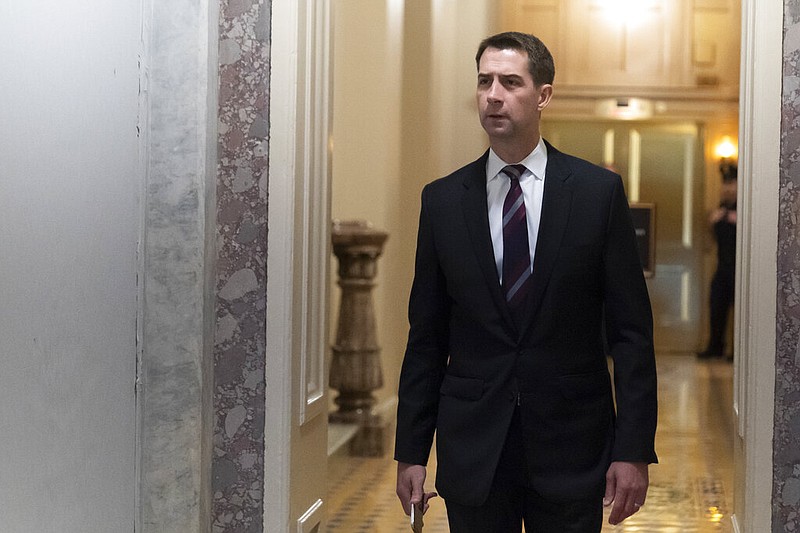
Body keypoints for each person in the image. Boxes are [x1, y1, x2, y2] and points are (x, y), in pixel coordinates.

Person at [394, 32, 658, 532]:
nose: (493, 94)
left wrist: (634, 450)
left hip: (572, 447)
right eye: (484, 81)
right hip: (474, 449)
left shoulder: (596, 194)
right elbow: (426, 337)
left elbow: (631, 334)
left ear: (543, 95)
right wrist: (410, 452)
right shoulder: (443, 201)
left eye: (510, 82)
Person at [697, 168, 737, 360]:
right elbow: (709, 240)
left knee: (740, 310)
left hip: (739, 269)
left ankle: (737, 350)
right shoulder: (719, 209)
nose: (727, 189)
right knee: (716, 306)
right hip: (722, 266)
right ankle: (715, 346)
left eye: (731, 184)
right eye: (726, 185)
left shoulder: (743, 211)